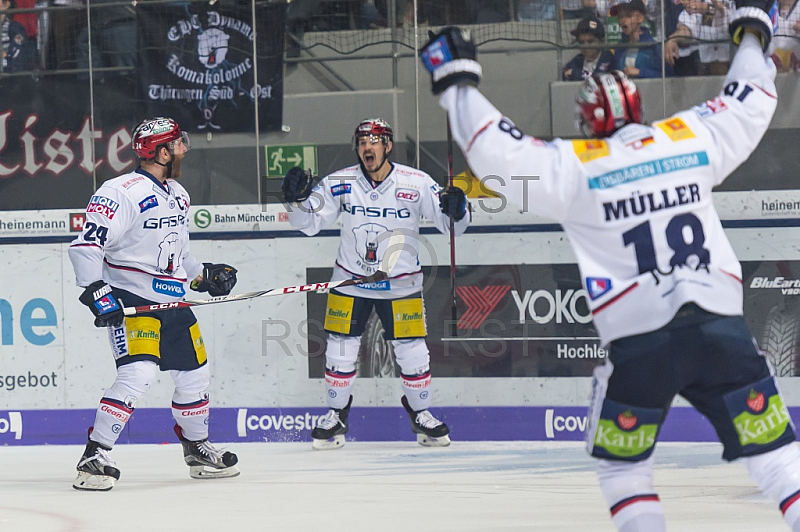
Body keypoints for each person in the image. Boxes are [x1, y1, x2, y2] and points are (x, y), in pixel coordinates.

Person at [419, 6, 800, 530]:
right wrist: (751, 34)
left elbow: (496, 153)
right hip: (721, 333)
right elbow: (752, 97)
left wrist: (454, 81)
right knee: (778, 459)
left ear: (585, 120)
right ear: (639, 106)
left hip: (640, 347)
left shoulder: (576, 166)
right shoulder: (688, 138)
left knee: (625, 474)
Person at [68, 117, 240, 491]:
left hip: (172, 302)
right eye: (178, 144)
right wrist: (97, 292)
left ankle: (196, 448)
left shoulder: (177, 192)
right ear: (162, 152)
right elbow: (86, 246)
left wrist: (203, 276)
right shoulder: (119, 192)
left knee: (196, 376)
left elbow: (180, 255)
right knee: (139, 373)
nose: (183, 149)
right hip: (133, 300)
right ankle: (94, 454)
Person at [281, 118, 470, 450]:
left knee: (413, 353)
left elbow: (452, 228)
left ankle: (421, 413)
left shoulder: (417, 182)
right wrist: (294, 201)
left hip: (401, 284)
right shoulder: (340, 182)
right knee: (340, 350)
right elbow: (309, 224)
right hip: (350, 282)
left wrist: (459, 209)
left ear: (388, 146)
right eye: (362, 141)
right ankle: (336, 415)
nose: (367, 147)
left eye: (375, 140)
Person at [665, 0, 734, 76]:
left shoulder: (733, 3)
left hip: (731, 63)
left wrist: (708, 8)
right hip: (701, 66)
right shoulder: (696, 4)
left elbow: (723, 12)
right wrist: (673, 39)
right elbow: (685, 29)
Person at [611, 0, 672, 78]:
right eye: (620, 16)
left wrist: (640, 72)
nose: (623, 20)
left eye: (628, 16)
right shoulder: (620, 47)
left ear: (640, 18)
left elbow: (669, 77)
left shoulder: (655, 47)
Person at [563, 15, 615, 81]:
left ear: (602, 41)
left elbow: (600, 79)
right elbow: (565, 74)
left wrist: (575, 74)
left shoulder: (609, 59)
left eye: (590, 42)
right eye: (581, 42)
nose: (585, 46)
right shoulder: (577, 60)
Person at [1, 0, 35, 72]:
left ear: (6, 4)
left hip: (11, 76)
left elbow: (17, 54)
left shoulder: (15, 28)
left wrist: (6, 57)